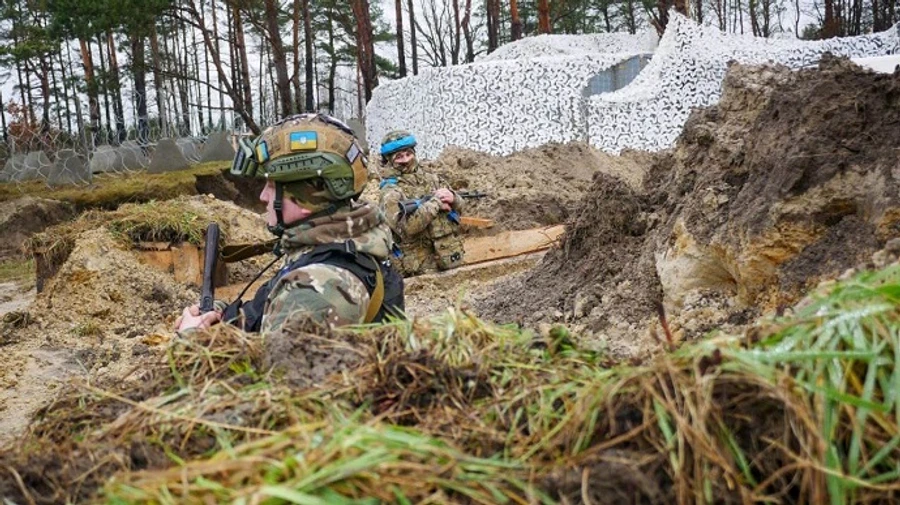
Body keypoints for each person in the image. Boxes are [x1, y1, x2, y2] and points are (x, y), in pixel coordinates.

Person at [176, 113, 404, 334]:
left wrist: (192, 339)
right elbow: (271, 319)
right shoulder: (342, 244)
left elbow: (278, 360)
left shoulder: (317, 288)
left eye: (272, 186)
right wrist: (223, 317)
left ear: (308, 195)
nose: (264, 196)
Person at [377, 130, 465, 277]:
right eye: (399, 157)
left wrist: (454, 199)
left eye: (408, 154)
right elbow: (406, 228)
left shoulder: (432, 179)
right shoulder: (390, 191)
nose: (406, 160)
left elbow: (460, 209)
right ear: (389, 160)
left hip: (449, 256)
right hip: (420, 269)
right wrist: (436, 203)